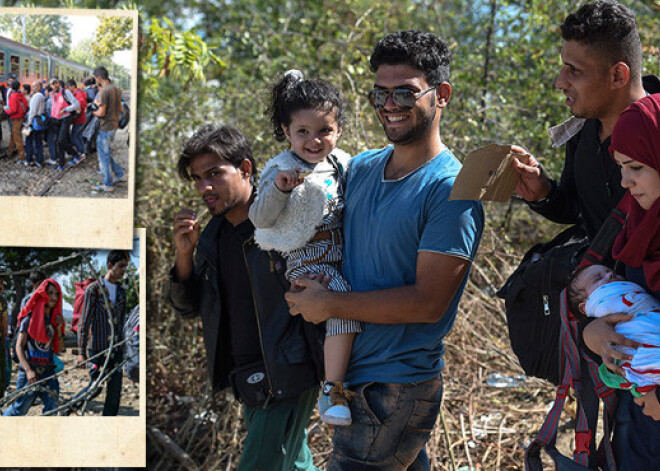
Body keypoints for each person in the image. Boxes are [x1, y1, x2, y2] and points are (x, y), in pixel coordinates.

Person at [286, 30, 484, 469]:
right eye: (380, 94)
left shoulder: (451, 189)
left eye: (404, 93)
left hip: (395, 388)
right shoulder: (361, 167)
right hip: (354, 379)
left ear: (441, 95)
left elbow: (429, 303)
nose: (389, 105)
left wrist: (328, 303)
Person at [169, 124, 323, 470]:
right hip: (246, 375)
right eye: (197, 178)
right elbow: (186, 307)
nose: (204, 187)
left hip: (288, 368)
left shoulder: (284, 221)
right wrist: (183, 257)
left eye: (214, 174)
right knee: (295, 464)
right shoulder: (209, 238)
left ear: (245, 169)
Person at [248, 71, 360, 426]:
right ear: (287, 132)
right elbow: (259, 219)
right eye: (303, 132)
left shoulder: (342, 163)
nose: (314, 140)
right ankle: (333, 390)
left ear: (338, 129)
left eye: (324, 130)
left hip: (343, 257)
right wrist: (279, 190)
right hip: (309, 262)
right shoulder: (282, 168)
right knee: (342, 305)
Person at [582, 94, 660, 466]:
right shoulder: (638, 223)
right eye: (620, 167)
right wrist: (592, 333)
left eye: (636, 167)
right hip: (640, 426)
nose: (625, 182)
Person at [567, 264, 660, 395]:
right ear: (585, 307)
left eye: (612, 273)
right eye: (598, 278)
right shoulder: (604, 303)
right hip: (640, 354)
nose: (610, 275)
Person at [76, 250, 130, 416]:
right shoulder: (94, 290)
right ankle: (70, 407)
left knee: (114, 394)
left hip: (116, 351)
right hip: (98, 349)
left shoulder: (121, 291)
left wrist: (124, 347)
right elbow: (84, 322)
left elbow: (122, 322)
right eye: (120, 266)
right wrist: (81, 353)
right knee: (95, 388)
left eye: (126, 266)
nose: (123, 270)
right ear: (109, 266)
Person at [2, 279, 64, 416]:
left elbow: (59, 349)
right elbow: (19, 346)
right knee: (19, 410)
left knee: (52, 409)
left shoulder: (55, 321)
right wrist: (28, 370)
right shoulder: (29, 319)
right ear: (42, 295)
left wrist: (59, 330)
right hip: (29, 373)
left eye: (56, 294)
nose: (53, 297)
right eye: (50, 293)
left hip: (48, 372)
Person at [91, 66, 126, 193]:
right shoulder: (117, 89)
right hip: (114, 126)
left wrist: (93, 112)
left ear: (99, 78)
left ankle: (107, 184)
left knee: (103, 157)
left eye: (96, 78)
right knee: (106, 153)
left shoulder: (105, 91)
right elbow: (121, 109)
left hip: (105, 127)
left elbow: (101, 112)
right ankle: (120, 174)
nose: (96, 80)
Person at [49, 78, 81, 170]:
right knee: (59, 143)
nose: (54, 85)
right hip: (56, 120)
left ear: (58, 83)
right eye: (52, 84)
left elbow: (76, 104)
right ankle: (61, 164)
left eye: (55, 83)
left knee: (61, 141)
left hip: (65, 119)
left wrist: (65, 110)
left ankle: (75, 154)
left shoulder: (65, 92)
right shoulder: (51, 94)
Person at [4, 79, 28, 163]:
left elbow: (13, 110)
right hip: (22, 117)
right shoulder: (21, 95)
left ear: (11, 87)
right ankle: (10, 152)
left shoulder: (13, 96)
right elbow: (26, 106)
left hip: (16, 119)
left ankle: (22, 156)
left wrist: (6, 110)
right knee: (13, 135)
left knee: (18, 138)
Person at [25, 80, 46, 168]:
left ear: (38, 87)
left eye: (34, 86)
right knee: (38, 141)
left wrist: (28, 122)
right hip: (38, 121)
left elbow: (32, 111)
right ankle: (39, 160)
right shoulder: (40, 95)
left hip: (33, 121)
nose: (32, 88)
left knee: (29, 141)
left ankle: (30, 159)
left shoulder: (37, 96)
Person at [67, 79, 87, 164]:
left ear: (72, 86)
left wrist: (76, 111)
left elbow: (81, 104)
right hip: (80, 119)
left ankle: (80, 152)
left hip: (79, 120)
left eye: (69, 87)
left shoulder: (78, 94)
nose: (68, 90)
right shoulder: (78, 93)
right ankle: (83, 152)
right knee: (78, 135)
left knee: (74, 135)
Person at [0, 276, 8, 398]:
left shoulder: (2, 301)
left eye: (1, 283)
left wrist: (4, 344)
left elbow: (4, 323)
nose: (0, 287)